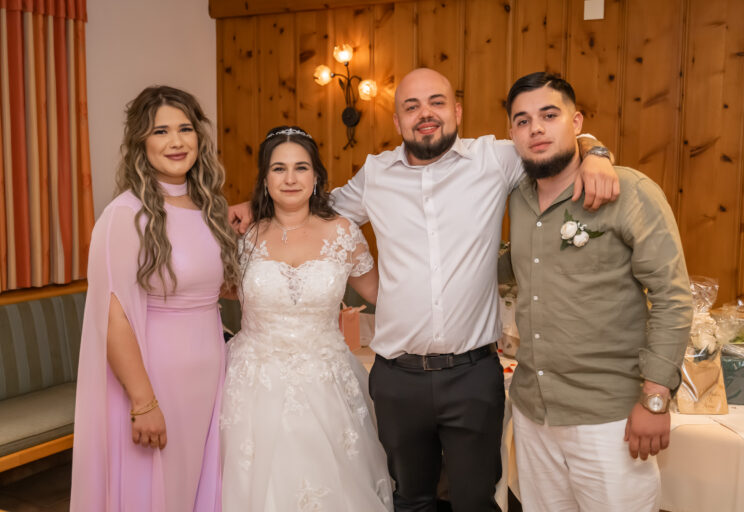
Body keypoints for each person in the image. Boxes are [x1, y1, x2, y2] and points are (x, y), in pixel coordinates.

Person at [228, 67, 618, 511]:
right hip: (398, 379)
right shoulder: (375, 174)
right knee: (409, 501)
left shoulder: (495, 159)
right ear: (397, 121)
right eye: (411, 107)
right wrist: (255, 206)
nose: (425, 114)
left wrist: (595, 153)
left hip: (472, 374)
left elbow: (552, 141)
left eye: (436, 102)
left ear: (457, 111)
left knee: (475, 501)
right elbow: (308, 206)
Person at [505, 72, 693, 512]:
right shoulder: (516, 197)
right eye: (522, 120)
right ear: (511, 133)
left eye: (549, 115)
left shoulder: (629, 191)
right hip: (533, 413)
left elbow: (672, 297)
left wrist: (655, 398)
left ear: (576, 122)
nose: (536, 129)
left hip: (609, 418)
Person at [70, 86, 239, 512]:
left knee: (197, 488)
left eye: (185, 129)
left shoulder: (210, 208)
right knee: (159, 494)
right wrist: (143, 403)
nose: (176, 141)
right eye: (161, 131)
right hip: (156, 380)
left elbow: (211, 287)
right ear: (140, 142)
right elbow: (113, 317)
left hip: (210, 377)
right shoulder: (124, 215)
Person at [220, 126, 393, 511]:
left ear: (316, 176)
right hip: (252, 383)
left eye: (301, 167)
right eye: (278, 168)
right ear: (265, 179)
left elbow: (384, 296)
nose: (290, 178)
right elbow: (214, 289)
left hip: (326, 382)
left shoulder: (343, 233)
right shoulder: (243, 235)